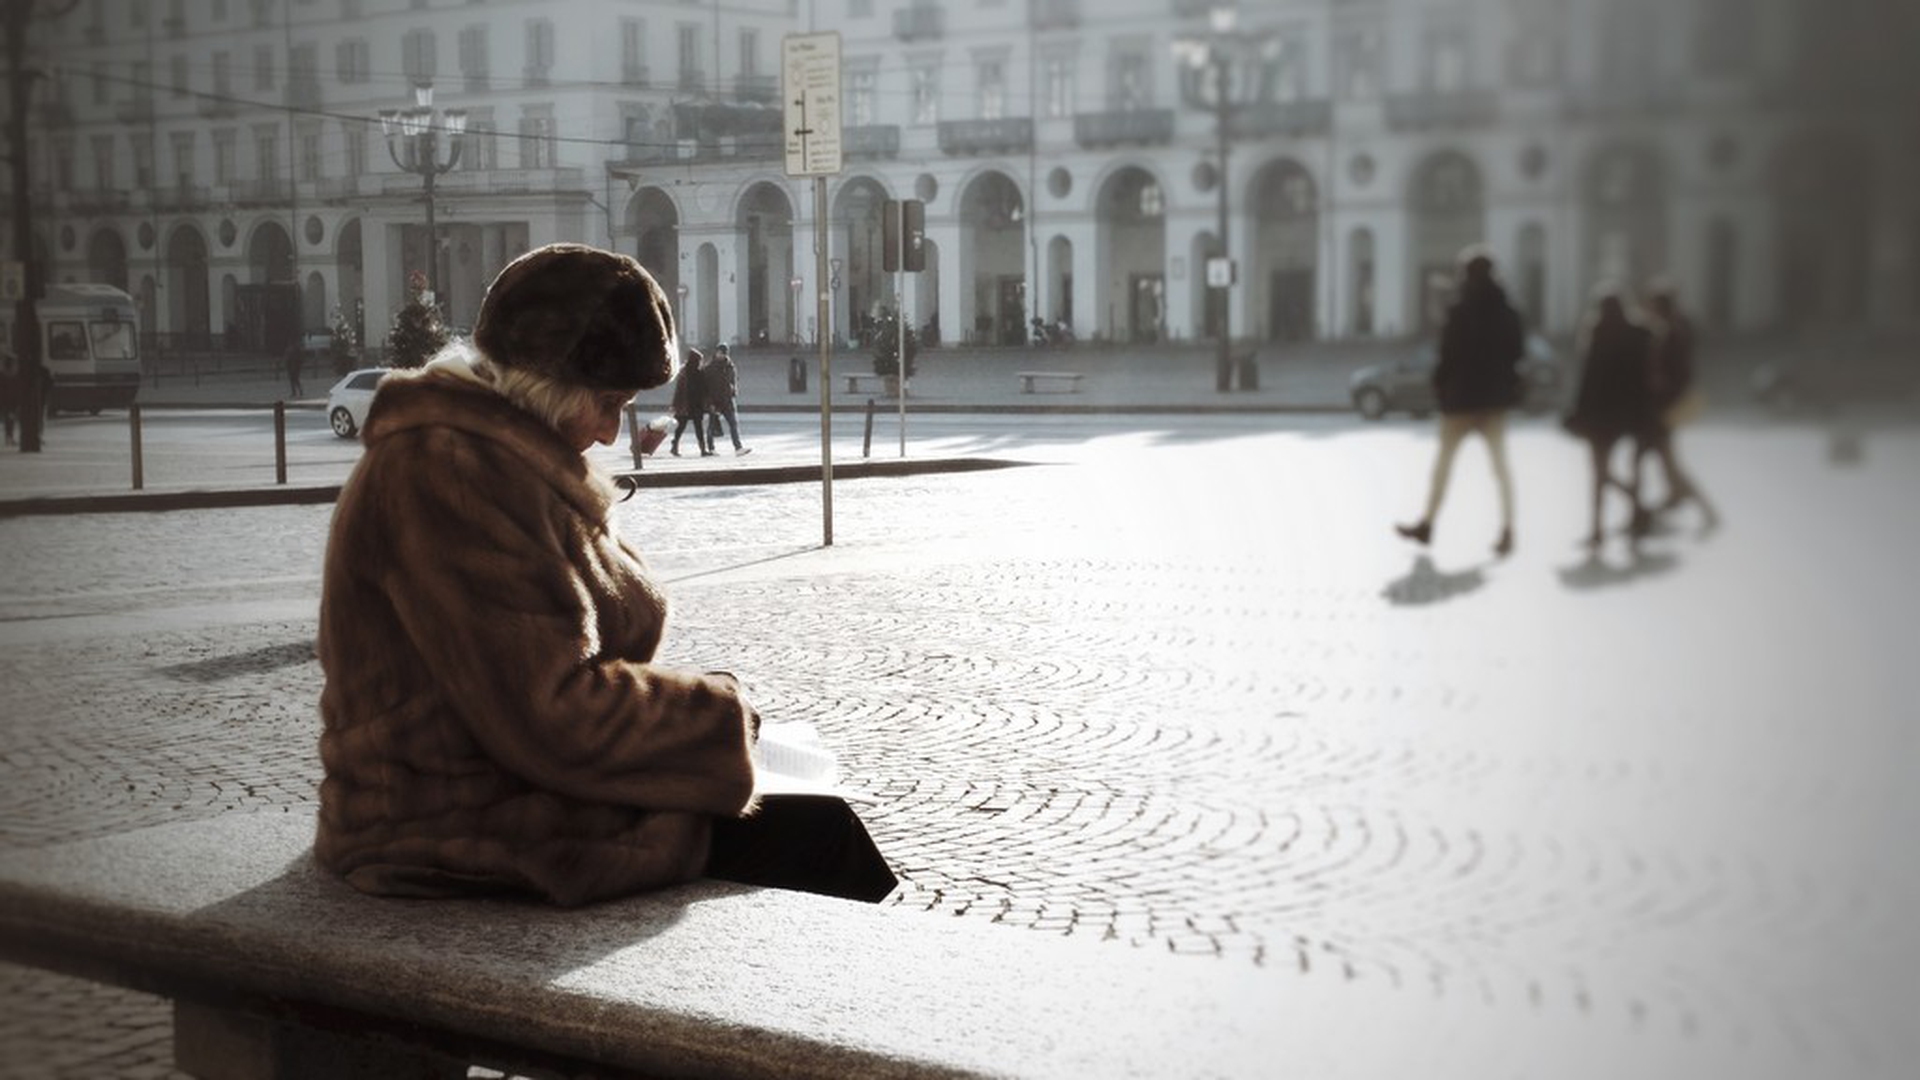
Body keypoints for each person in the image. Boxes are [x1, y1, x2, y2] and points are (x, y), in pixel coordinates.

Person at [314, 243, 896, 906]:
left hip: (515, 782)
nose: (612, 431)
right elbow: (550, 712)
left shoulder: (508, 458)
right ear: (548, 386)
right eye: (609, 402)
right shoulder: (447, 471)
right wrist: (720, 718)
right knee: (822, 838)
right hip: (446, 816)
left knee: (817, 825)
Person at [1395, 248, 1526, 557]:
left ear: (1465, 275)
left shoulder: (1459, 310)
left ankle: (1427, 523)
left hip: (1461, 400)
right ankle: (1508, 529)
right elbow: (1517, 353)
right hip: (1494, 401)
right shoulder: (1508, 311)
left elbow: (1447, 356)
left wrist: (1440, 389)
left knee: (1443, 466)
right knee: (1501, 469)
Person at [1563, 287, 1657, 549]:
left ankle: (1598, 528)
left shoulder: (1597, 335)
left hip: (1600, 417)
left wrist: (1577, 413)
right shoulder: (1640, 335)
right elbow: (1645, 378)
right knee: (1632, 469)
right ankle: (1637, 512)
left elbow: (1589, 382)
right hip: (1630, 414)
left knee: (1599, 473)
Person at [1637, 284, 1720, 534]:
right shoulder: (1675, 331)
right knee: (1666, 461)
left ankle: (1696, 506)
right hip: (1668, 406)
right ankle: (1674, 501)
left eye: (1651, 306)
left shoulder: (1671, 334)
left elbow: (1675, 375)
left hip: (1665, 408)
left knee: (1666, 462)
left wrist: (1659, 389)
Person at [702, 341, 750, 455]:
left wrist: (734, 391)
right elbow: (705, 387)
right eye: (719, 352)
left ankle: (738, 448)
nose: (720, 355)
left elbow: (734, 380)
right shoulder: (710, 368)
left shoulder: (730, 366)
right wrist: (709, 402)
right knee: (712, 426)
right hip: (715, 401)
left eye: (723, 353)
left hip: (728, 400)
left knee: (733, 424)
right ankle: (711, 448)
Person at [668, 346, 711, 456]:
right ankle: (675, 447)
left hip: (693, 405)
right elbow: (679, 390)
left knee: (696, 427)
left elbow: (704, 389)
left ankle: (702, 449)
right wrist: (674, 405)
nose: (700, 362)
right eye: (699, 360)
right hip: (687, 405)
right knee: (683, 427)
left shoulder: (695, 372)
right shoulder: (687, 373)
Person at [0, 348, 18, 447]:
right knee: (10, 420)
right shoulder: (14, 376)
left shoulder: (2, 375)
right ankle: (9, 437)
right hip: (10, 402)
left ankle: (9, 437)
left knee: (9, 420)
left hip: (6, 401)